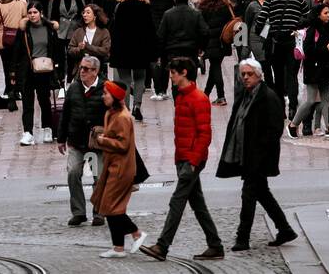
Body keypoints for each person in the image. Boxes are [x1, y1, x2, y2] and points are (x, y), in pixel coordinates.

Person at [140, 57, 224, 262]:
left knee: (177, 202)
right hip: (183, 157)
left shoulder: (198, 98)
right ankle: (215, 245)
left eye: (173, 73)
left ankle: (162, 245)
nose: (171, 77)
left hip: (191, 159)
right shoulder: (181, 97)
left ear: (184, 72)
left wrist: (193, 162)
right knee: (198, 204)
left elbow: (204, 134)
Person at [217, 57, 297, 251]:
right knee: (262, 193)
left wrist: (260, 152)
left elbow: (275, 128)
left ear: (259, 76)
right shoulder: (245, 94)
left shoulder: (267, 96)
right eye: (243, 74)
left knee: (249, 195)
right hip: (247, 155)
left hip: (258, 157)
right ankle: (285, 229)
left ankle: (242, 238)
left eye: (249, 74)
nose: (245, 77)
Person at [89, 79, 146, 258]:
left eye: (106, 93)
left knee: (110, 207)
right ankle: (118, 247)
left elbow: (123, 145)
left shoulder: (123, 118)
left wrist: (103, 140)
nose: (102, 96)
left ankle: (137, 233)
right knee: (110, 206)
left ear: (115, 97)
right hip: (112, 165)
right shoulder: (110, 114)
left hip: (122, 168)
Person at [58, 54, 106, 228]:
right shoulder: (74, 88)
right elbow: (65, 114)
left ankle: (99, 212)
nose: (82, 72)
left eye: (86, 69)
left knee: (99, 178)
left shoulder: (105, 88)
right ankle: (78, 212)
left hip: (97, 144)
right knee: (73, 173)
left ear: (95, 71)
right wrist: (61, 138)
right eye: (81, 68)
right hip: (76, 140)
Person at [108, 0, 158, 122]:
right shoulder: (145, 7)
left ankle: (126, 109)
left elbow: (114, 29)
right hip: (140, 49)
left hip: (123, 49)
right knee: (140, 77)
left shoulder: (120, 7)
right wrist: (153, 51)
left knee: (125, 79)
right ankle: (137, 105)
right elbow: (151, 30)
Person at [288, 1, 329, 139]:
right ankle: (293, 124)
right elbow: (308, 51)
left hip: (324, 69)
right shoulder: (312, 30)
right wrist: (325, 50)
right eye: (325, 13)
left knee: (326, 99)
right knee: (310, 100)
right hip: (313, 70)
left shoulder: (327, 29)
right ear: (318, 15)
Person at [18, 3, 59, 146]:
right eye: (30, 12)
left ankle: (47, 128)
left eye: (35, 12)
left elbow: (55, 49)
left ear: (41, 13)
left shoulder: (49, 29)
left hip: (45, 70)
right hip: (28, 70)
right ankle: (28, 132)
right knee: (27, 102)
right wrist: (13, 72)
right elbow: (17, 51)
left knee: (44, 101)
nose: (32, 15)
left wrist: (58, 70)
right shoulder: (24, 30)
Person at [196, 0, 234, 106]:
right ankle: (206, 93)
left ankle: (221, 96)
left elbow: (201, 26)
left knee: (215, 66)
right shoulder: (225, 5)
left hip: (210, 40)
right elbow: (230, 20)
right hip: (223, 39)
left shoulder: (203, 6)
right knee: (215, 66)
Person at [157, 0, 209, 69]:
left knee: (176, 75)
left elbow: (161, 35)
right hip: (191, 50)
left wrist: (162, 52)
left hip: (173, 51)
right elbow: (205, 32)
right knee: (191, 77)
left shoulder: (168, 14)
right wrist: (201, 47)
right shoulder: (195, 14)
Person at [67, 2, 111, 80]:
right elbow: (70, 50)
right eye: (83, 13)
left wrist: (88, 47)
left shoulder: (104, 32)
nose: (84, 15)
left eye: (88, 12)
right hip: (81, 71)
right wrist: (79, 49)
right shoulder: (78, 31)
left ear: (95, 16)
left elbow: (105, 51)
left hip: (98, 71)